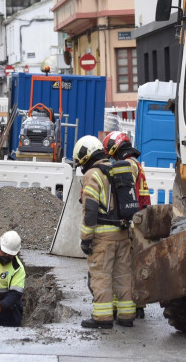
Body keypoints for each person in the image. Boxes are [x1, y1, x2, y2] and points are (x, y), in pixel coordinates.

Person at [74, 135, 137, 329]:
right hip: (123, 232)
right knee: (123, 276)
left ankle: (102, 319)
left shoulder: (92, 175)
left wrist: (85, 238)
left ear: (86, 156)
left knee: (101, 276)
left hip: (103, 236)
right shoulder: (115, 170)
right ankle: (126, 316)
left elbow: (91, 210)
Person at [103, 131, 151, 319]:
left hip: (133, 222)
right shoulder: (136, 164)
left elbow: (124, 195)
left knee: (125, 266)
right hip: (140, 219)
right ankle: (136, 305)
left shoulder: (128, 165)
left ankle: (132, 305)